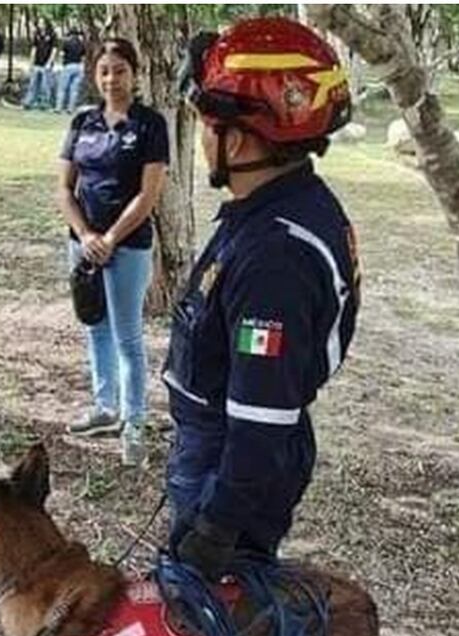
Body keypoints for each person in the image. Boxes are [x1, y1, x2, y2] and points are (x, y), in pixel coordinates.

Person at [164, 18, 360, 580]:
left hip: (230, 465)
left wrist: (217, 525)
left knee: (218, 618)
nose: (201, 139)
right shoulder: (274, 210)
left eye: (206, 123)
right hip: (221, 452)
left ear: (242, 137)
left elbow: (260, 419)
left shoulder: (276, 255)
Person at [56, 39, 168, 466]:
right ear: (94, 74)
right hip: (82, 244)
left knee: (127, 335)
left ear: (134, 74)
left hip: (128, 246)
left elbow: (147, 195)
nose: (111, 79)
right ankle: (105, 407)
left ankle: (134, 420)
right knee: (94, 326)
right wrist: (85, 235)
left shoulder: (150, 124)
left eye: (119, 70)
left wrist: (111, 239)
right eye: (104, 71)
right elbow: (65, 188)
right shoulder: (82, 121)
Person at [22, 21, 57, 110]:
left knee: (45, 85)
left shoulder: (52, 34)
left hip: (46, 64)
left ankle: (45, 103)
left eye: (42, 23)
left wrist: (50, 62)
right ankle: (29, 102)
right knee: (33, 84)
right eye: (39, 23)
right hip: (37, 63)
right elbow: (34, 49)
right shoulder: (37, 34)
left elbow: (54, 50)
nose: (40, 24)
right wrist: (31, 62)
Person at [54, 27, 86, 114]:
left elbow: (61, 55)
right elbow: (83, 58)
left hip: (68, 66)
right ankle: (70, 109)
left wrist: (61, 65)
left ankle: (58, 108)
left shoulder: (66, 43)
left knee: (62, 88)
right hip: (78, 66)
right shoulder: (81, 44)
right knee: (74, 90)